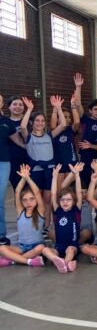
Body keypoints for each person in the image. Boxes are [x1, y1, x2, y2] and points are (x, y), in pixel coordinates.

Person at [21, 95, 66, 227]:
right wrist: (29, 109)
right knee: (35, 199)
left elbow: (63, 125)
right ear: (32, 122)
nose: (40, 123)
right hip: (36, 172)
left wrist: (58, 108)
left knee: (48, 201)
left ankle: (46, 226)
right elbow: (22, 127)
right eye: (37, 120)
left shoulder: (49, 136)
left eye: (42, 121)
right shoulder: (28, 137)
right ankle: (35, 225)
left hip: (49, 172)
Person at [0, 164, 46, 267]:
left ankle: (13, 261)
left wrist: (28, 178)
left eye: (31, 199)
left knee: (41, 248)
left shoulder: (40, 211)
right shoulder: (21, 212)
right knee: (1, 248)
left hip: (36, 247)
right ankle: (28, 261)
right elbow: (17, 192)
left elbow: (37, 192)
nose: (28, 203)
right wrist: (23, 178)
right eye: (25, 200)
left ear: (36, 200)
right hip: (22, 248)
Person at [0, 94, 28, 245]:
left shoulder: (6, 122)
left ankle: (2, 235)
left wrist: (30, 149)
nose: (17, 107)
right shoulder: (8, 121)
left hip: (6, 163)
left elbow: (18, 140)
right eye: (14, 104)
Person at [49, 162, 84, 273]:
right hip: (58, 247)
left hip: (72, 246)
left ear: (73, 201)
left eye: (68, 200)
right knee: (45, 250)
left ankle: (64, 263)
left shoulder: (76, 210)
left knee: (70, 250)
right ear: (59, 201)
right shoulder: (57, 211)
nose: (65, 202)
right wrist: (55, 177)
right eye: (62, 200)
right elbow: (53, 194)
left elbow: (79, 193)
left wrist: (77, 175)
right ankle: (65, 263)